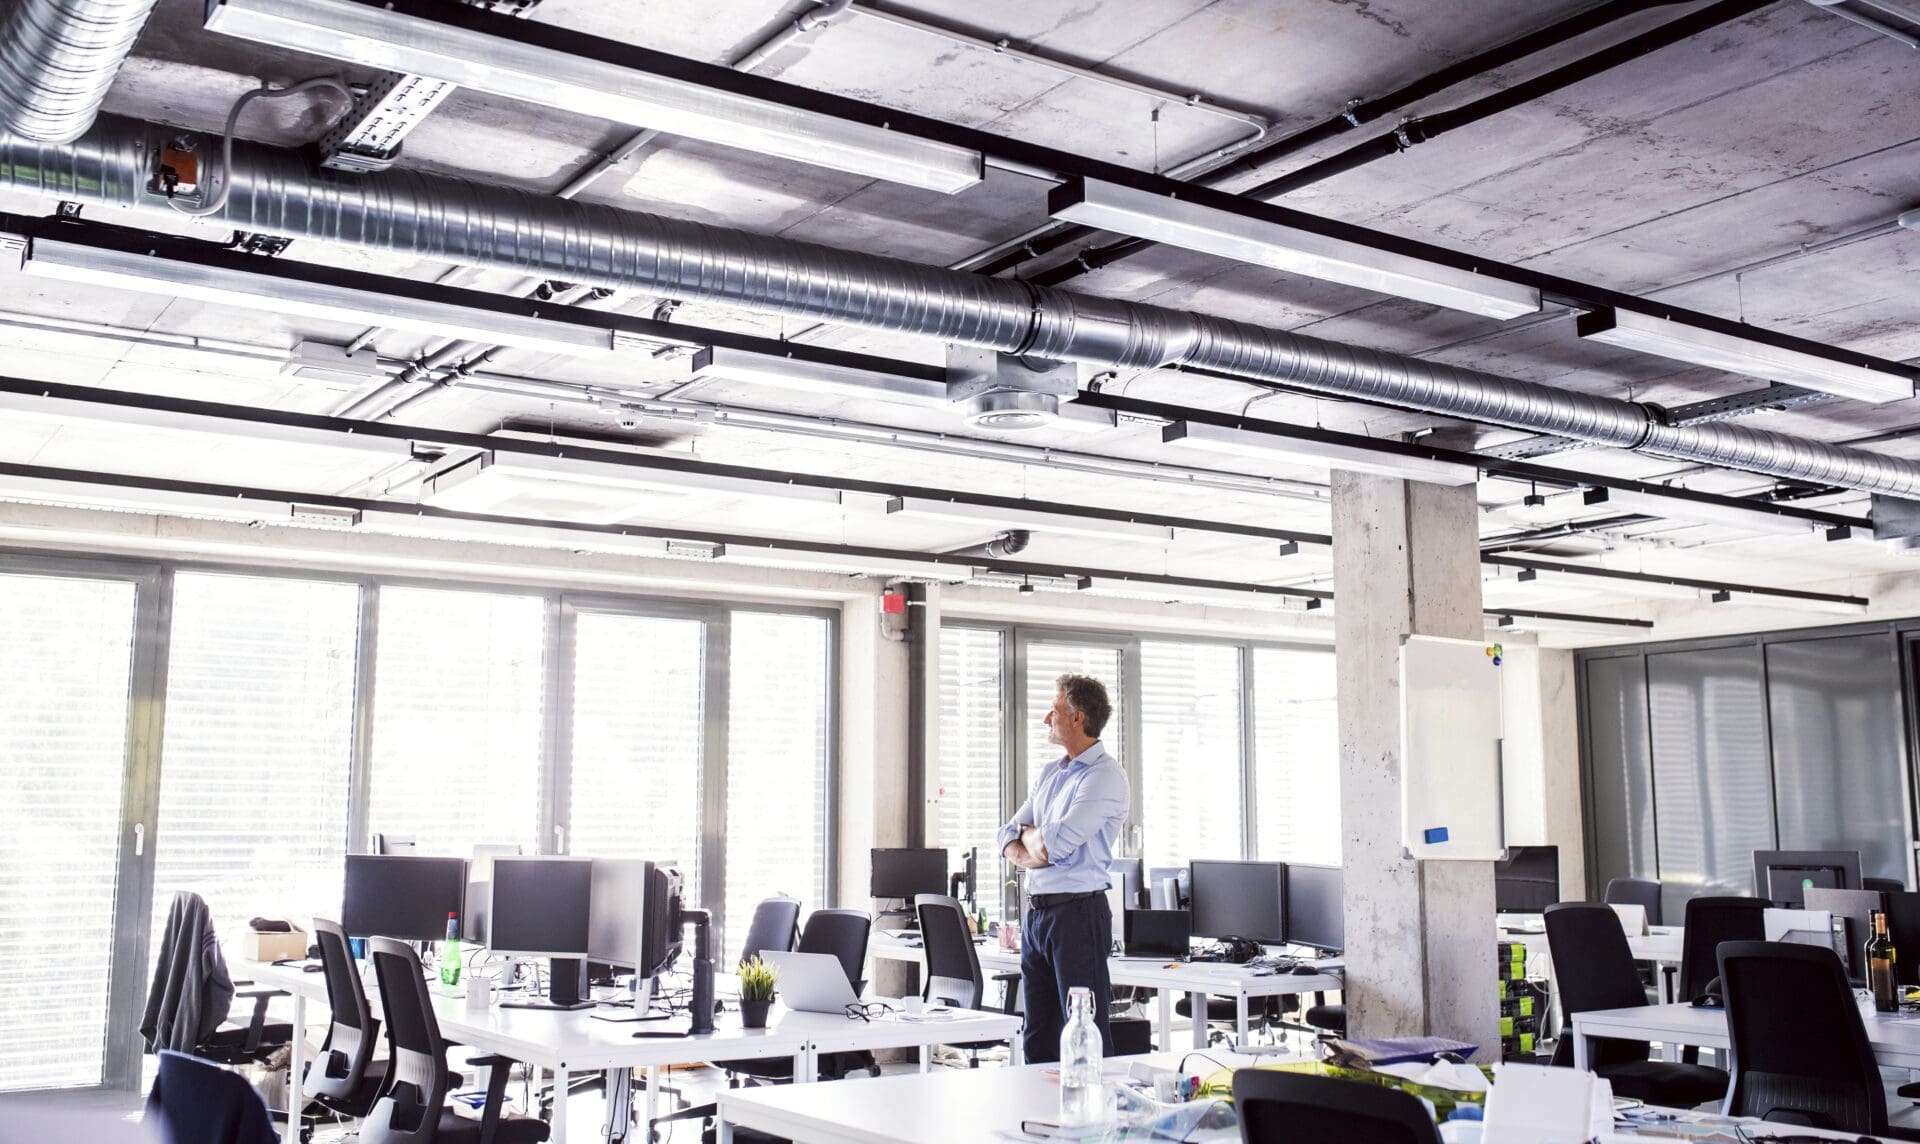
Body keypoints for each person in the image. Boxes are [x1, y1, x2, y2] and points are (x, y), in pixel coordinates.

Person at [997, 672, 1129, 1063]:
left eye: (1053, 711)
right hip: (1037, 916)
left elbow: (1057, 843)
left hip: (1077, 914)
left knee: (1082, 1033)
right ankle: (1040, 1120)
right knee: (1038, 1035)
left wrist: (1033, 843)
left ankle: (1092, 1120)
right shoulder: (1051, 774)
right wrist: (1030, 847)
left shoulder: (1104, 776)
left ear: (1077, 718)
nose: (1045, 719)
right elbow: (1006, 833)